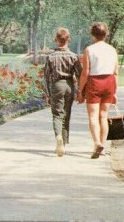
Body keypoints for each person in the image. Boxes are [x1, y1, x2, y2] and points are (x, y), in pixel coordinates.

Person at [77, 22, 118, 159]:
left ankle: (97, 143)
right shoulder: (112, 50)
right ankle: (103, 145)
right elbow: (115, 72)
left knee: (93, 116)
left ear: (92, 34)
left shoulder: (89, 50)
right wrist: (115, 92)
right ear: (106, 34)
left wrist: (80, 89)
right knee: (104, 116)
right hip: (109, 82)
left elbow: (85, 72)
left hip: (95, 82)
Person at [43, 28, 82, 157]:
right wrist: (81, 91)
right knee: (66, 114)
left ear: (56, 40)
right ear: (69, 40)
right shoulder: (73, 56)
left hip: (56, 85)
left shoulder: (51, 56)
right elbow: (80, 74)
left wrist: (48, 94)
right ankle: (64, 143)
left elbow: (46, 77)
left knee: (57, 114)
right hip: (69, 85)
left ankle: (58, 136)